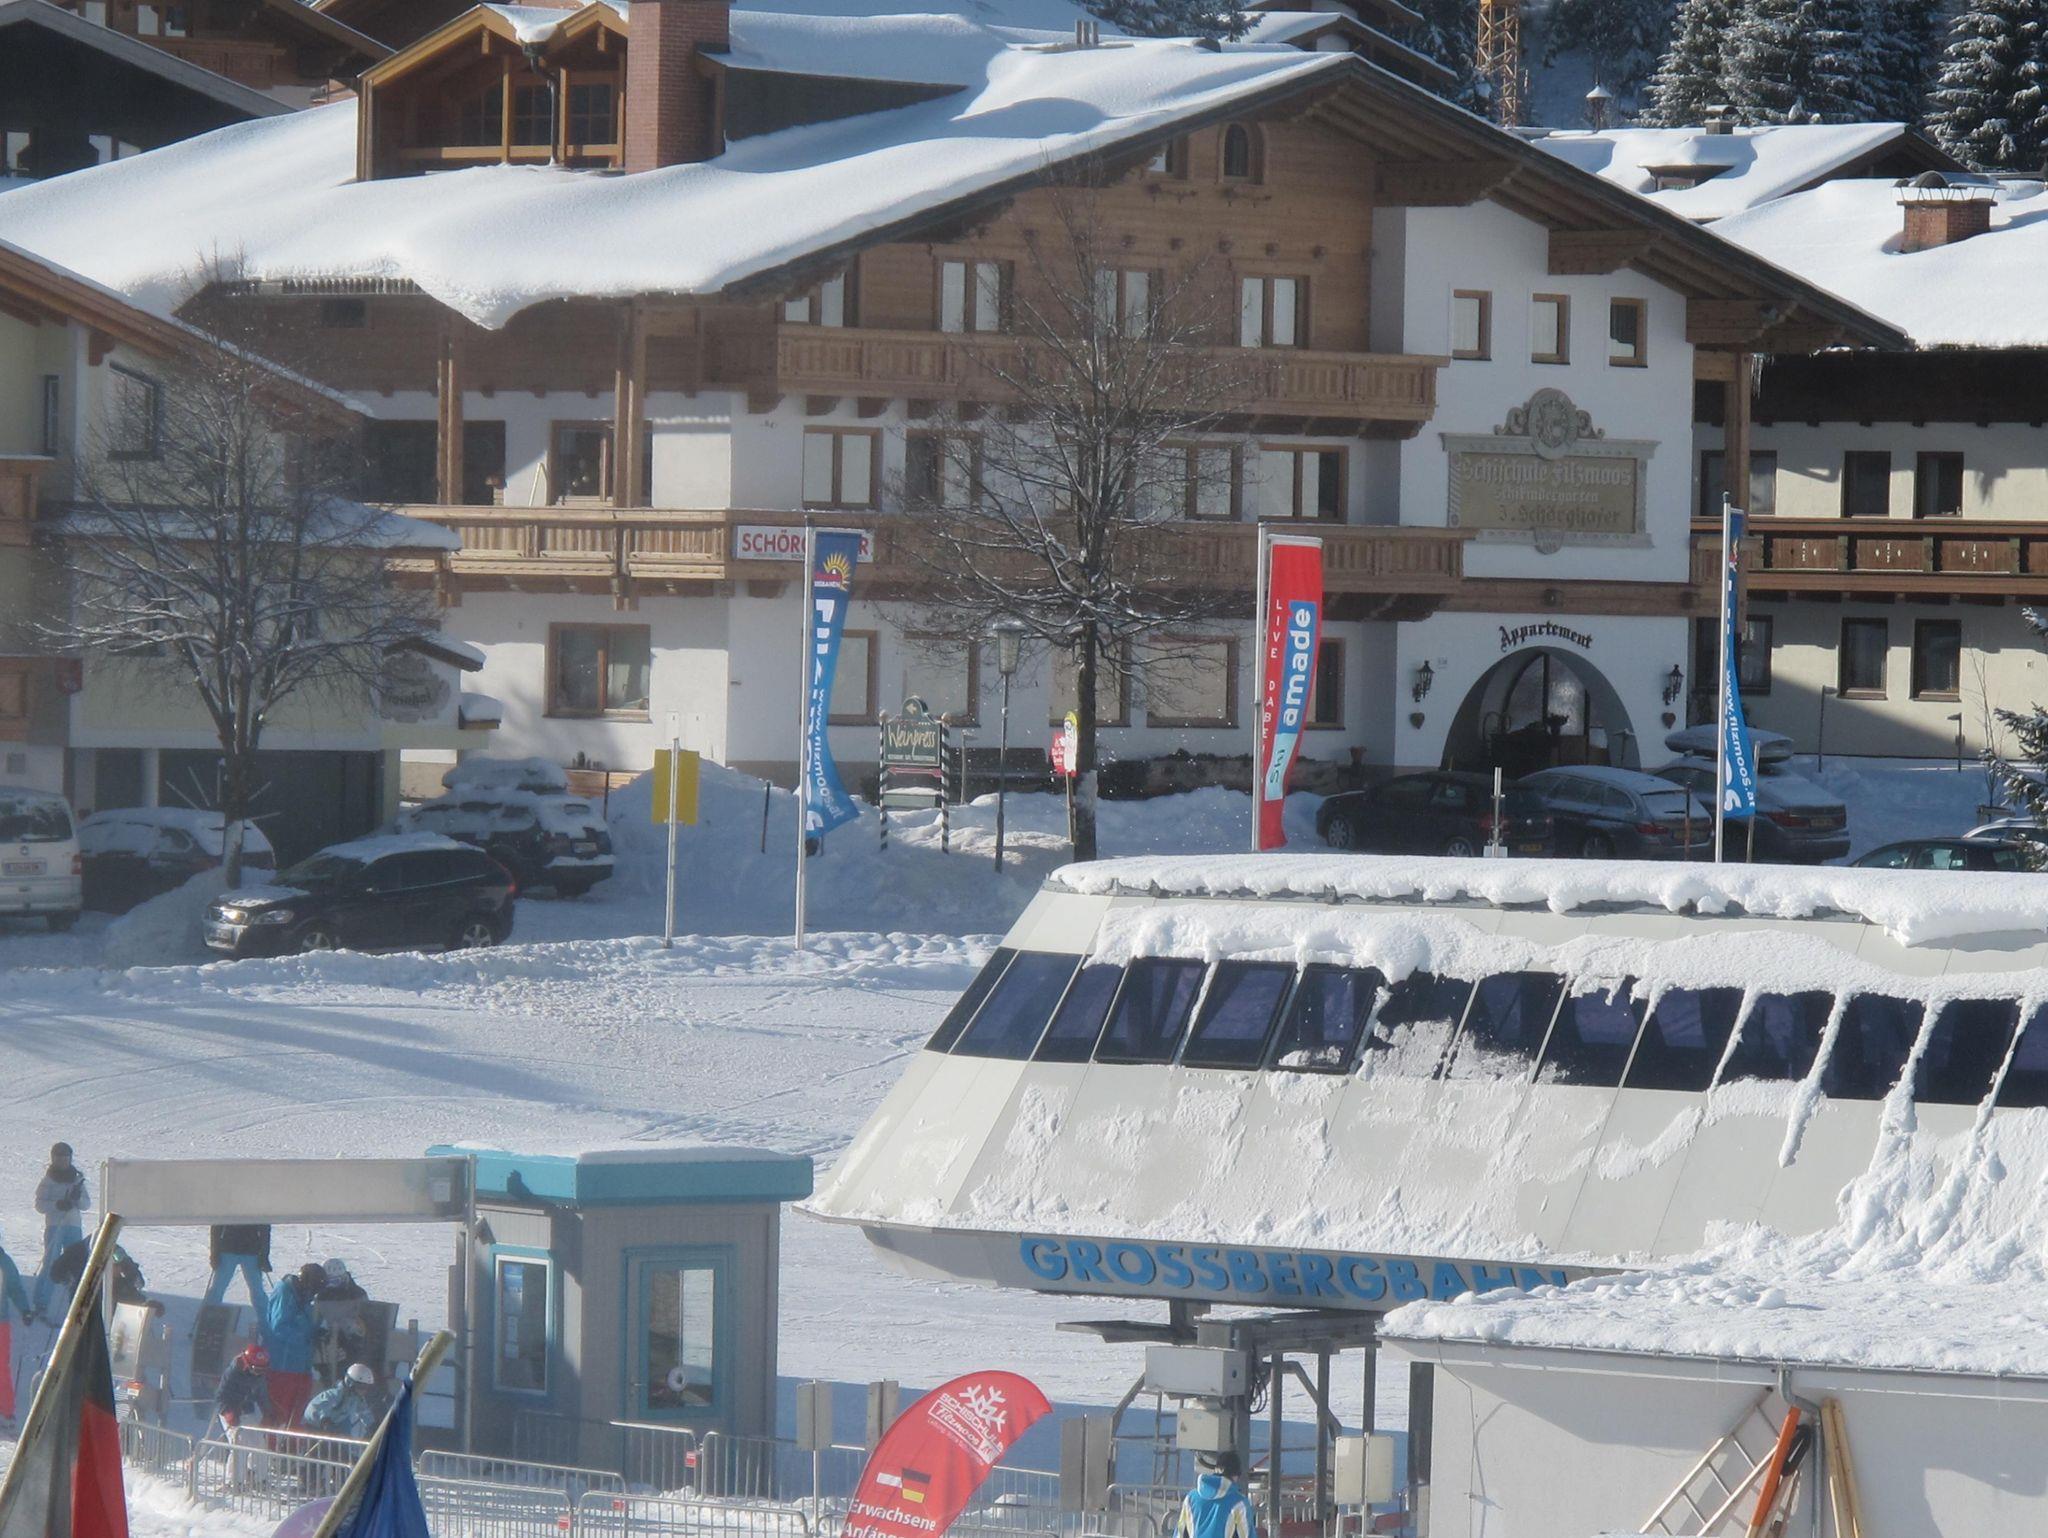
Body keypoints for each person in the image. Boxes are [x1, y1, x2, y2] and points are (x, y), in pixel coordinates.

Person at [260, 1263, 326, 1430]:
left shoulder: (303, 1298)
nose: (313, 1295)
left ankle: (292, 1446)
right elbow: (279, 1327)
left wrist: (319, 1330)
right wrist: (308, 1336)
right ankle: (270, 1444)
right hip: (282, 1365)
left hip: (301, 1367)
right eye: (314, 1289)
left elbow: (306, 1323)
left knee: (298, 1417)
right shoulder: (285, 1293)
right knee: (278, 1413)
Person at [30, 1143, 88, 1318]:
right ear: (53, 1159)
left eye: (65, 1157)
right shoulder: (48, 1180)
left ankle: (76, 1304)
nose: (63, 1161)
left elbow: (86, 1204)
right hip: (55, 1225)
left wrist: (77, 1198)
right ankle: (41, 1303)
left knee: (76, 1263)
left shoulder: (77, 1180)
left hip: (73, 1226)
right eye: (59, 1157)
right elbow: (39, 1205)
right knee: (52, 1261)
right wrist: (57, 1205)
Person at [1178, 1454, 1257, 1538]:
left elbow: (1180, 1533)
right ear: (1235, 1475)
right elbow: (1247, 1535)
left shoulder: (1191, 1497)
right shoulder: (1239, 1502)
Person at [302, 1363, 387, 1440]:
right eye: (361, 1387)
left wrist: (374, 1428)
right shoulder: (335, 1394)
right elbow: (314, 1407)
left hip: (332, 1433)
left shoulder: (356, 1399)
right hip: (314, 1430)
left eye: (366, 1388)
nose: (364, 1391)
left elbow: (364, 1413)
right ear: (350, 1383)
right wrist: (325, 1422)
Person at [205, 1225, 272, 1311]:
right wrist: (214, 1253)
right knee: (217, 1289)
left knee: (257, 1291)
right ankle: (209, 1315)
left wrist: (264, 1255)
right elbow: (216, 1227)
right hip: (230, 1250)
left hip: (249, 1251)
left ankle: (266, 1318)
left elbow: (265, 1229)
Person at [213, 1345, 273, 1435]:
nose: (259, 1374)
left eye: (263, 1370)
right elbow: (220, 1396)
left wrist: (267, 1413)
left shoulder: (259, 1376)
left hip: (247, 1409)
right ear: (246, 1364)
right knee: (239, 1437)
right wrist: (227, 1412)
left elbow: (262, 1394)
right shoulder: (232, 1373)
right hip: (230, 1411)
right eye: (257, 1370)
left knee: (256, 1438)